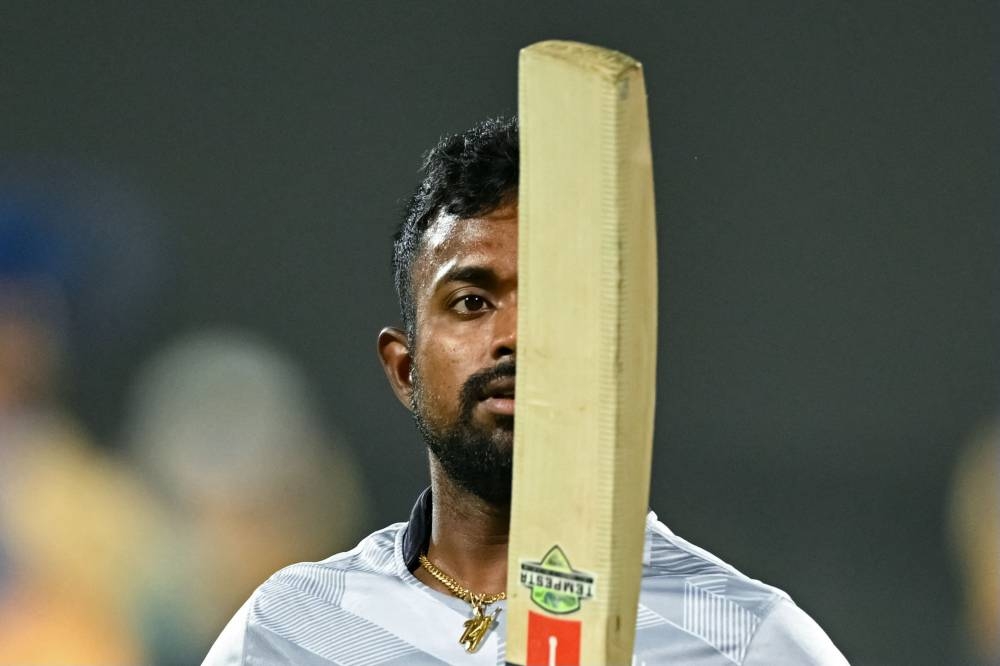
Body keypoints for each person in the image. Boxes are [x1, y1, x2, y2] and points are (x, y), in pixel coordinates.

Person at [203, 117, 849, 665]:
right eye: (472, 301)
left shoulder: (746, 642)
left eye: (553, 298)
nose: (515, 336)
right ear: (404, 370)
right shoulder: (286, 631)